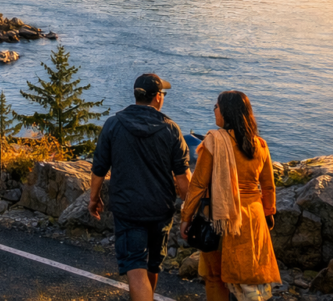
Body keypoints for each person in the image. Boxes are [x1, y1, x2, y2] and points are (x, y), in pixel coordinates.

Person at [90, 74, 191, 301]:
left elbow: (99, 168)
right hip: (160, 209)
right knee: (153, 266)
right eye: (162, 94)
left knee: (136, 267)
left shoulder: (114, 124)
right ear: (157, 98)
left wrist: (93, 198)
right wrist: (190, 209)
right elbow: (183, 178)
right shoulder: (171, 129)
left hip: (128, 210)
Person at [180, 91, 281, 301]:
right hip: (252, 219)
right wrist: (269, 213)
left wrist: (186, 218)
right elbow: (268, 187)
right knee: (249, 276)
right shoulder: (260, 145)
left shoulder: (214, 142)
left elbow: (198, 184)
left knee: (215, 276)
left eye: (216, 107)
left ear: (226, 112)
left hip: (220, 218)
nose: (214, 111)